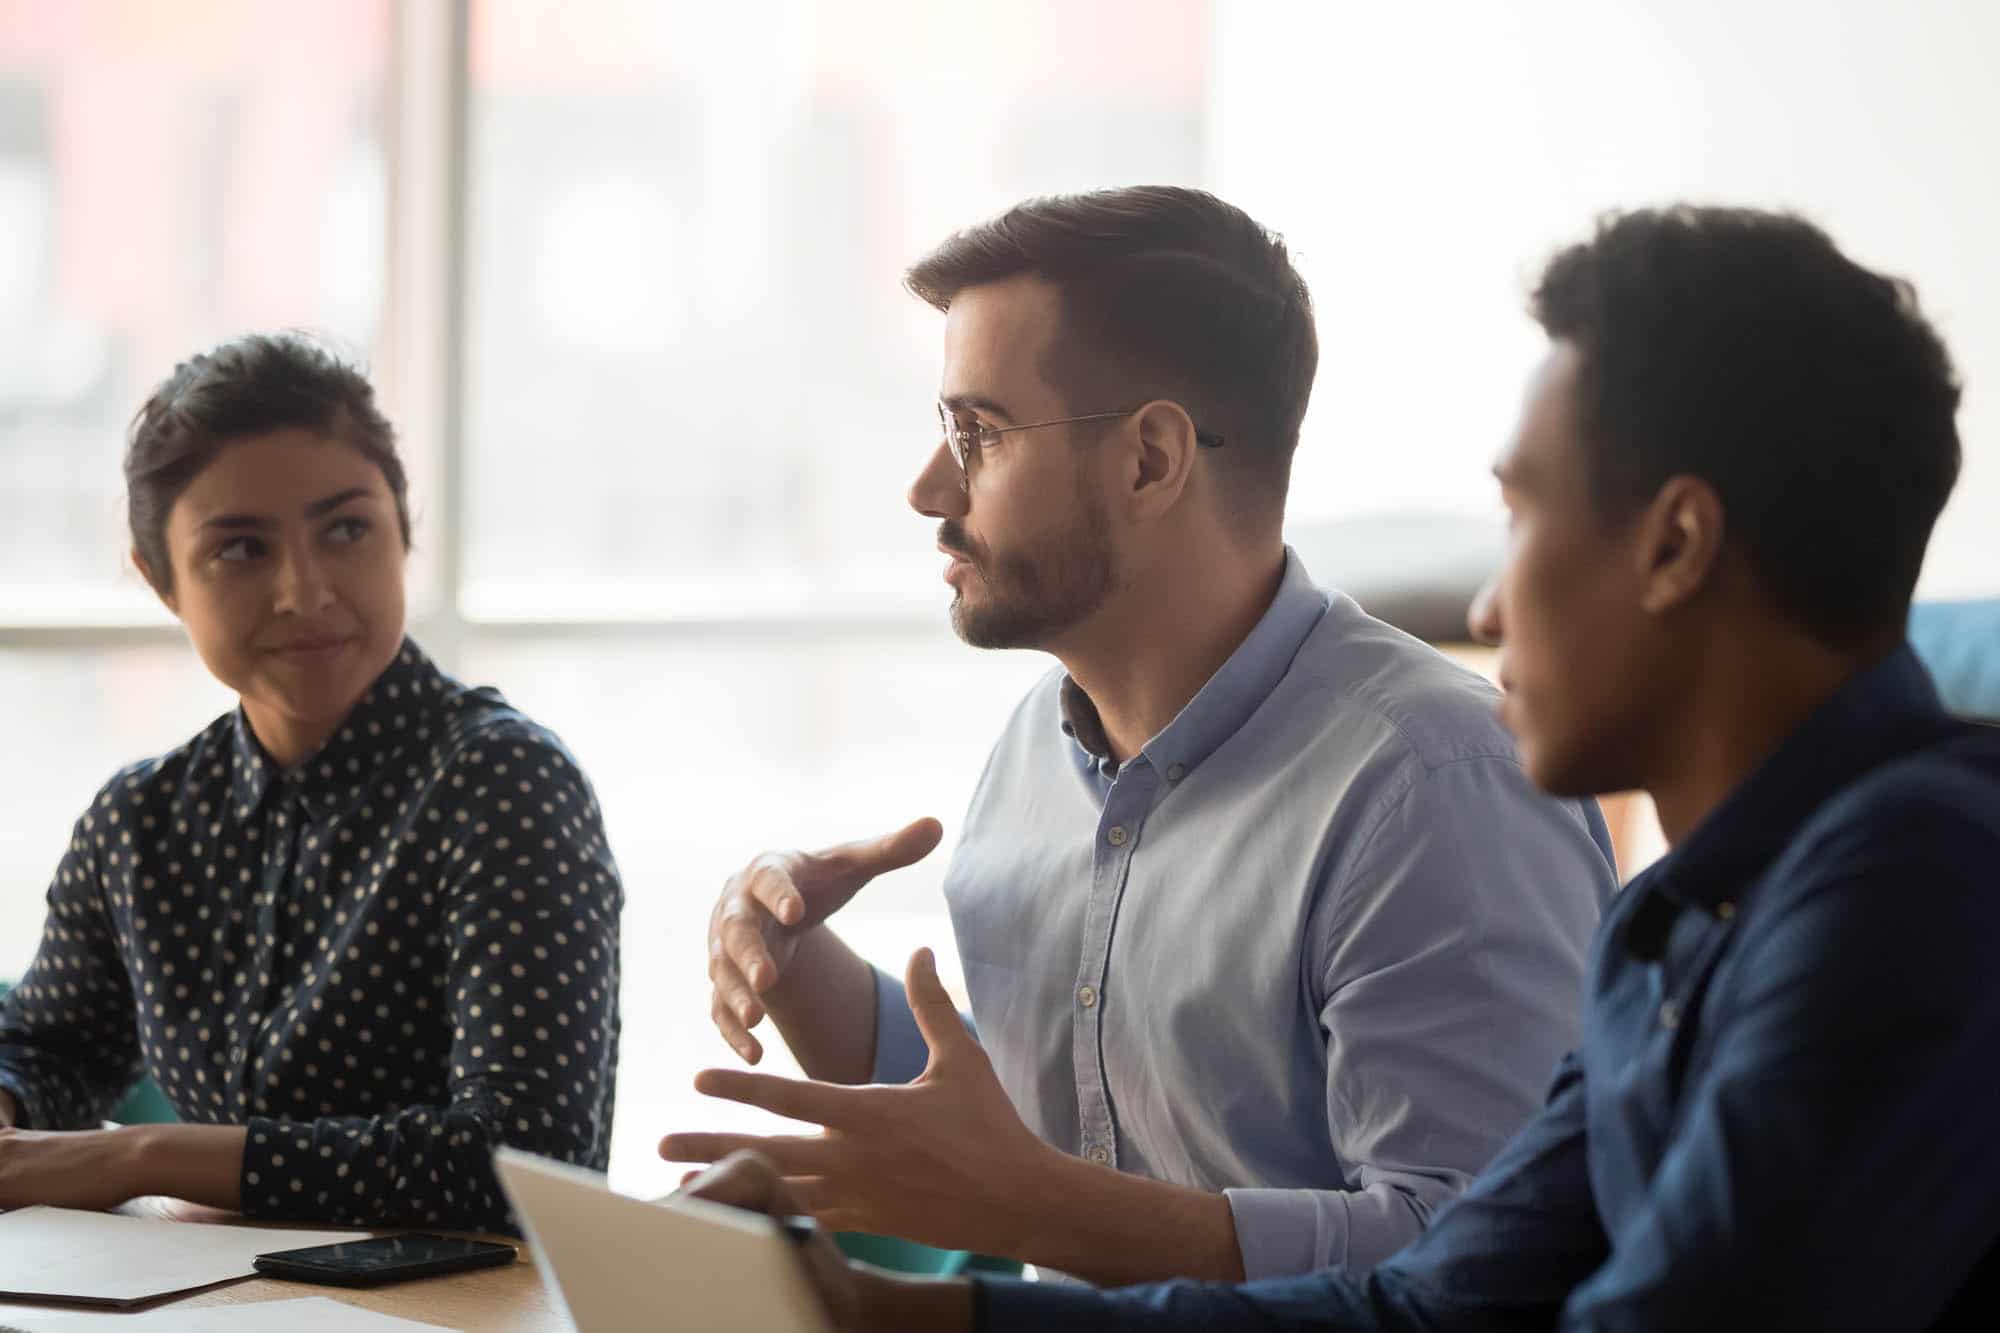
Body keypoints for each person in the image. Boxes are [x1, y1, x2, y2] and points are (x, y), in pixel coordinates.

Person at [691, 203, 2000, 1329]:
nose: (1488, 607)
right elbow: (1433, 1306)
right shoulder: (1681, 927)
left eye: (1522, 513)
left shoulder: (1916, 891)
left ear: (1673, 548)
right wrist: (890, 1311)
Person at [663, 186, 1616, 1284]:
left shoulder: (1433, 784)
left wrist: (1041, 1210)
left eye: (977, 433)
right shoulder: (1033, 748)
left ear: (1152, 460)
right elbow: (1039, 1118)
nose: (929, 490)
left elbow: (1472, 1264)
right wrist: (793, 963)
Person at [0, 334, 623, 1233]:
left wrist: (139, 1153)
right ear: (161, 581)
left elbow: (526, 1160)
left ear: (403, 527)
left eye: (346, 529)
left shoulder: (504, 785)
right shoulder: (141, 821)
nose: (306, 590)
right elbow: (49, 1044)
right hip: (201, 1304)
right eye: (242, 550)